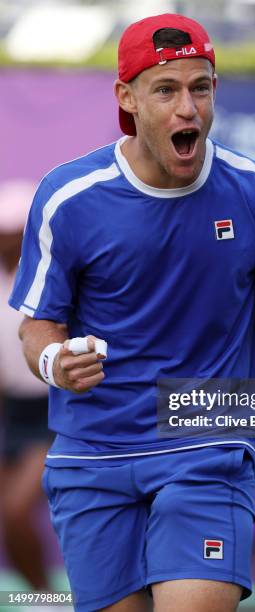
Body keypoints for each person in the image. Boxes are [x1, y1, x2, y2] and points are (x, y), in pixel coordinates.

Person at [9, 13, 255, 612]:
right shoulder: (68, 198)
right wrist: (57, 361)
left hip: (207, 443)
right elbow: (38, 325)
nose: (188, 108)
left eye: (201, 87)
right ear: (128, 99)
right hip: (93, 454)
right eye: (166, 89)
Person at [0, 181, 54, 591]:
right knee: (10, 519)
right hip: (10, 412)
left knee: (17, 511)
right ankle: (46, 598)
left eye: (15, 232)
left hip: (53, 409)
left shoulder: (50, 277)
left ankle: (51, 597)